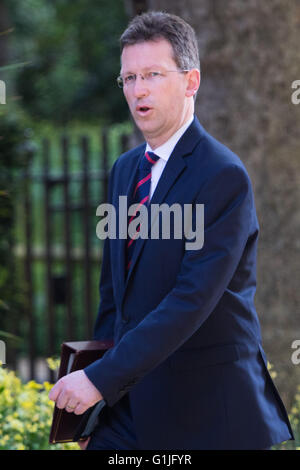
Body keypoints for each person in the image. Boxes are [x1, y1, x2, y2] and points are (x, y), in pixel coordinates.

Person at [49, 11, 294, 450]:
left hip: (205, 416)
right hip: (127, 413)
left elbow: (189, 301)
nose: (138, 90)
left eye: (153, 75)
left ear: (191, 81)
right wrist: (93, 414)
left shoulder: (223, 177)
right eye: (128, 78)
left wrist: (98, 381)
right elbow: (114, 299)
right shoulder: (125, 171)